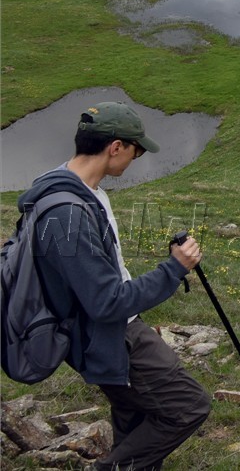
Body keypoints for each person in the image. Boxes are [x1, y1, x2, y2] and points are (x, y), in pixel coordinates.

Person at [16, 100, 211, 470]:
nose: (136, 159)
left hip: (103, 334)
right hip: (112, 334)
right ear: (115, 146)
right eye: (135, 151)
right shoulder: (67, 213)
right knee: (189, 406)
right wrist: (174, 268)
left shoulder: (73, 187)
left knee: (135, 415)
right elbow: (107, 302)